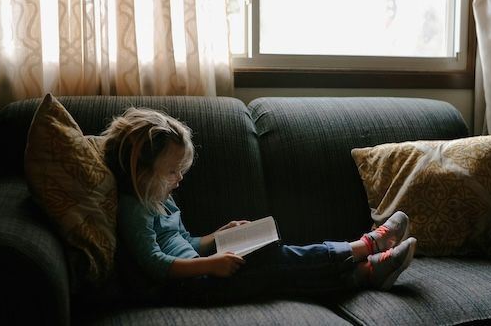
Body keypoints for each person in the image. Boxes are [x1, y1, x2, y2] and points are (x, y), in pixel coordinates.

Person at [102, 107, 417, 304]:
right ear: (141, 172)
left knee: (276, 268)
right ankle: (365, 247)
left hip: (199, 273)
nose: (179, 180)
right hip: (187, 288)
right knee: (274, 261)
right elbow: (156, 263)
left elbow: (186, 244)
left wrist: (216, 236)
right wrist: (211, 264)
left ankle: (364, 273)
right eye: (171, 172)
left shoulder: (161, 199)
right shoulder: (134, 209)